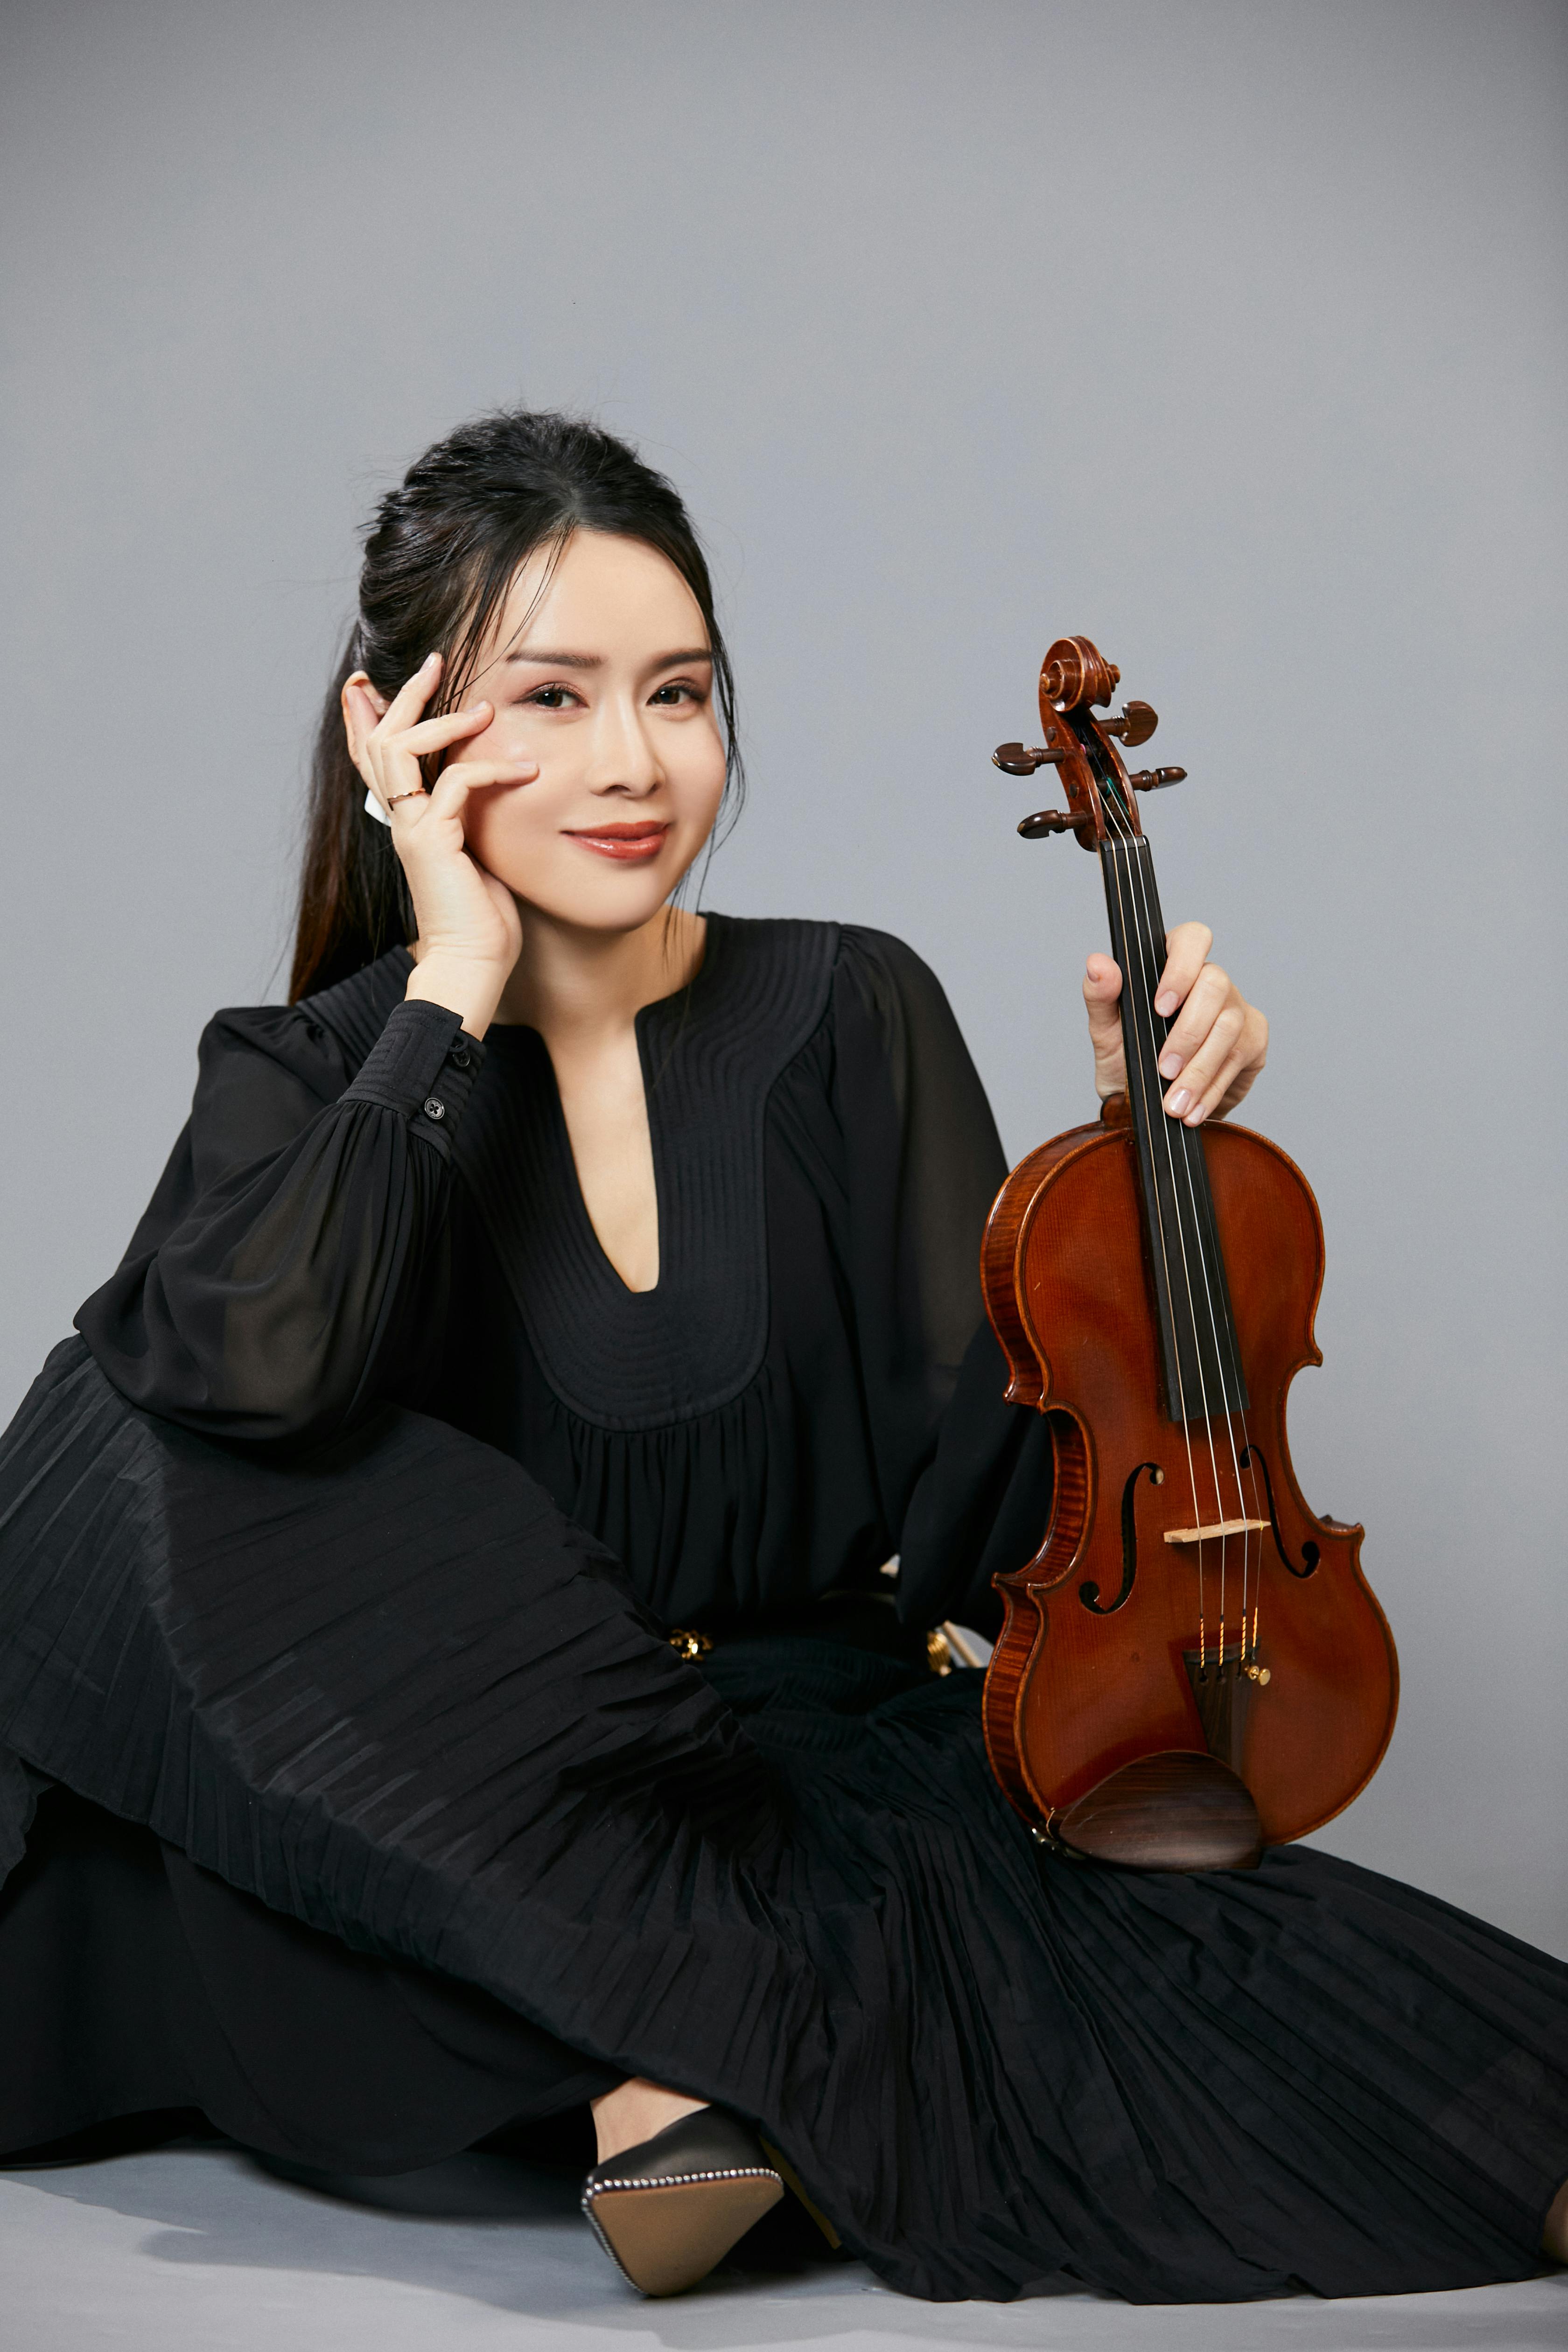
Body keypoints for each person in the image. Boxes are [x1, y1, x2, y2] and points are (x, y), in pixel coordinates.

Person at [0, 410, 1563, 2305]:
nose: (634, 762)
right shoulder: (313, 1072)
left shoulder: (848, 1009)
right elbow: (249, 1390)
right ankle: (673, 2048)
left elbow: (989, 1520)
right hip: (456, 1801)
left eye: (677, 692)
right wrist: (450, 985)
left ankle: (685, 2060)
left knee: (1221, 1990)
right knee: (141, 1406)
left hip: (794, 1751)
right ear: (390, 730)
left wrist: (1119, 1187)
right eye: (553, 697)